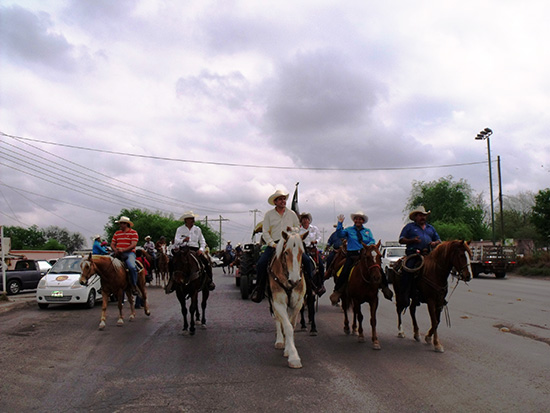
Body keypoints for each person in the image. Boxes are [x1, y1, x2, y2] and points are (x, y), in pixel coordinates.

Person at [329, 211, 393, 305]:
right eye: (356, 218)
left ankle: (385, 287)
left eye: (360, 219)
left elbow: (372, 240)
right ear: (354, 220)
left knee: (377, 268)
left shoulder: (367, 231)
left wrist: (368, 246)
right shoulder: (349, 230)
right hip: (352, 255)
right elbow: (339, 234)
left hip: (365, 254)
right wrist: (340, 223)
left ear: (363, 221)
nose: (358, 220)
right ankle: (337, 291)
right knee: (345, 270)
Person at [251, 188, 302, 303]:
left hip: (289, 243)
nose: (283, 201)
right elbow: (265, 232)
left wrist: (293, 229)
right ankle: (259, 290)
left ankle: (312, 286)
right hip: (274, 244)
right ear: (275, 202)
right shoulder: (269, 215)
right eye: (280, 199)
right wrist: (272, 244)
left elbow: (298, 227)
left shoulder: (292, 214)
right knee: (261, 264)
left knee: (307, 260)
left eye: (284, 199)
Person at [397, 206, 441, 308]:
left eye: (424, 215)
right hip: (414, 254)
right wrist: (412, 241)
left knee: (438, 270)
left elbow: (439, 240)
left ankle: (439, 295)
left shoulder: (431, 228)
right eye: (420, 215)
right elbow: (401, 240)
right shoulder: (409, 227)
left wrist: (435, 243)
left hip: (429, 254)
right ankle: (406, 295)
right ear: (416, 217)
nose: (423, 217)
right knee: (408, 270)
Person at [165, 211, 215, 293]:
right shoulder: (180, 229)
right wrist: (183, 240)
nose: (192, 220)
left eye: (192, 218)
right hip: (183, 249)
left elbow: (202, 241)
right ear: (186, 220)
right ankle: (172, 281)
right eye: (190, 218)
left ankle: (209, 281)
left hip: (194, 249)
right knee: (171, 262)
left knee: (206, 262)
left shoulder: (197, 229)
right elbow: (176, 241)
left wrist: (201, 250)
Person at [110, 216, 141, 297]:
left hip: (129, 253)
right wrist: (115, 249)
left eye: (122, 223)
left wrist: (123, 250)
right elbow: (112, 244)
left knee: (131, 267)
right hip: (118, 253)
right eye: (120, 223)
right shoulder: (117, 233)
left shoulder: (133, 232)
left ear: (126, 224)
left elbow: (133, 244)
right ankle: (106, 286)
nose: (120, 225)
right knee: (106, 265)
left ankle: (134, 285)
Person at [299, 212, 326, 296]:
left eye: (307, 219)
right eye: (303, 219)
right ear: (301, 220)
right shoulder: (299, 230)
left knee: (321, 266)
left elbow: (319, 237)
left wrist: (316, 241)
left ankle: (320, 284)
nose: (305, 220)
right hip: (303, 250)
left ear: (309, 220)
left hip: (313, 250)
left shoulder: (314, 228)